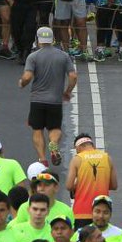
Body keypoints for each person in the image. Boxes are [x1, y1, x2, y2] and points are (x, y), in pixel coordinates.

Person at [19, 26, 78, 166]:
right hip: (55, 101)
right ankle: (53, 144)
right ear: (52, 39)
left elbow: (27, 76)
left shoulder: (33, 56)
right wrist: (68, 91)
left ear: (38, 39)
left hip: (37, 100)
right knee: (55, 128)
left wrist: (22, 83)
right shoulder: (63, 56)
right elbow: (73, 76)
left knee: (37, 129)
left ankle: (42, 160)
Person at [66, 135, 117, 226]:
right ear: (92, 145)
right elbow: (114, 186)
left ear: (79, 147)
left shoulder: (77, 159)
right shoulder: (107, 158)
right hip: (102, 211)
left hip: (82, 211)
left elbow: (69, 186)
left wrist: (79, 183)